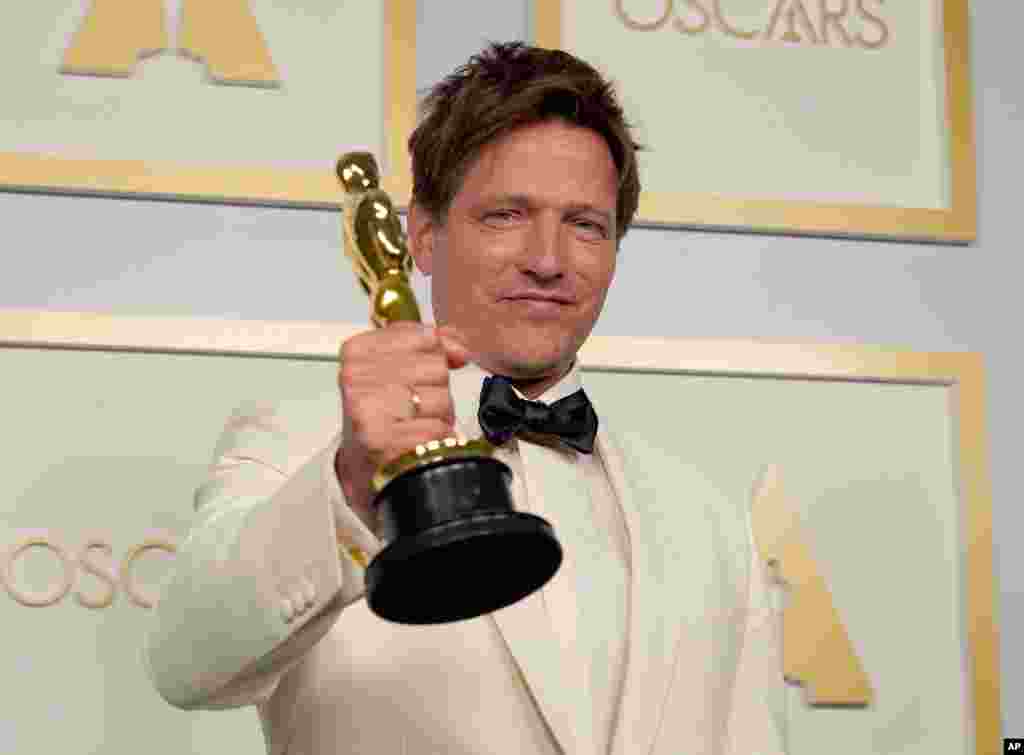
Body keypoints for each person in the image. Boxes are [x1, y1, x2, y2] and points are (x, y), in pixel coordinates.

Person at [144, 41, 786, 755]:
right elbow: (184, 659)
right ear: (421, 234)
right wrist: (355, 481)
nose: (547, 259)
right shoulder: (302, 445)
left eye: (584, 224)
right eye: (506, 214)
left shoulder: (709, 522)